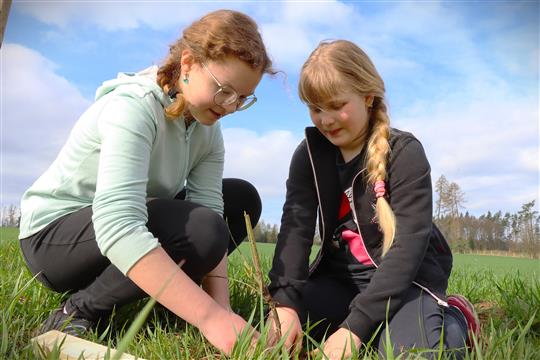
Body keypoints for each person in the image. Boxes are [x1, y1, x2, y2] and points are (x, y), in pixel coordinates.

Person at [18, 9, 274, 355]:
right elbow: (118, 224)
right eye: (224, 90)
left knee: (238, 200)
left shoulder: (207, 130)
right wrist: (209, 318)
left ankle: (169, 300)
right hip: (55, 241)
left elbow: (212, 213)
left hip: (127, 225)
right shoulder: (133, 107)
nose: (230, 106)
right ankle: (77, 311)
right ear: (188, 63)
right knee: (200, 227)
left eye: (242, 98)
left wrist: (223, 311)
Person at [267, 40, 480, 359]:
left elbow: (407, 248)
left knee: (409, 354)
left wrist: (354, 328)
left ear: (367, 96)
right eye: (315, 108)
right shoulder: (309, 157)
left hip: (405, 283)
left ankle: (456, 317)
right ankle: (365, 326)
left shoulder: (405, 153)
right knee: (278, 332)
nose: (325, 120)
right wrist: (285, 303)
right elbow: (294, 231)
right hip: (341, 280)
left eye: (336, 104)